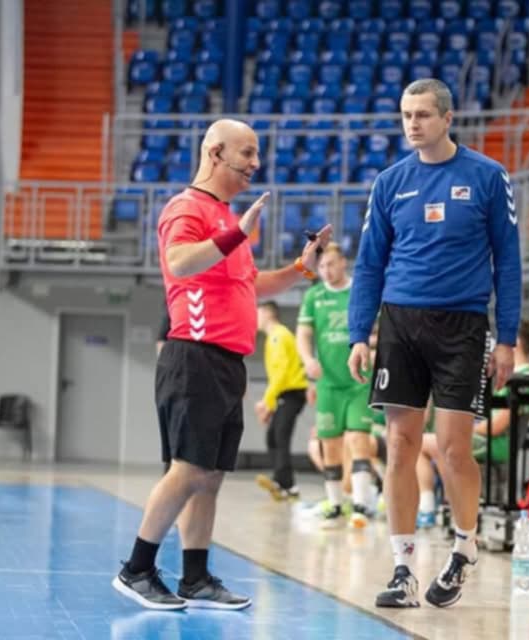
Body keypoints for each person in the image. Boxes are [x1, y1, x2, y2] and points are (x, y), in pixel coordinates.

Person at [112, 119, 331, 611]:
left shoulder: (224, 218)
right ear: (215, 153)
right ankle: (137, 569)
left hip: (227, 361)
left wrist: (301, 268)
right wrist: (236, 234)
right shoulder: (187, 208)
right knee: (188, 469)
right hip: (194, 356)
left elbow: (253, 285)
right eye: (247, 153)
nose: (256, 163)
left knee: (209, 476)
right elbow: (180, 262)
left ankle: (195, 578)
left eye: (257, 153)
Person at [346, 78, 521, 609]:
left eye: (422, 114)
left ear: (447, 118)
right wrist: (359, 333)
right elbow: (369, 263)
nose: (412, 124)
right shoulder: (389, 182)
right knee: (400, 445)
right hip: (400, 323)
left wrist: (507, 338)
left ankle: (464, 547)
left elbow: (508, 261)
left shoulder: (487, 176)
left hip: (462, 325)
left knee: (451, 449)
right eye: (406, 115)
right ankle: (402, 569)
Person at [415, 321, 529, 527]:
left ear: (515, 342)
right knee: (426, 442)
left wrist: (465, 430)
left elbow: (498, 426)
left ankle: (447, 506)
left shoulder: (524, 378)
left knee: (439, 443)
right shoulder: (511, 374)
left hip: (497, 444)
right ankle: (432, 506)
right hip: (486, 436)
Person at [297, 243, 376, 529]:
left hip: (358, 381)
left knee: (358, 439)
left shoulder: (361, 291)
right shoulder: (314, 296)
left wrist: (370, 346)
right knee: (329, 445)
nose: (326, 271)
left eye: (331, 264)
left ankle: (361, 505)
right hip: (328, 383)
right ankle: (335, 506)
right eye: (321, 267)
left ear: (343, 262)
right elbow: (303, 334)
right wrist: (308, 360)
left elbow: (380, 330)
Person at [254, 301, 308, 501]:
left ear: (268, 313)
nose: (255, 319)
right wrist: (271, 402)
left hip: (291, 392)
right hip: (285, 394)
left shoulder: (278, 336)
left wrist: (266, 401)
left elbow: (281, 372)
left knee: (280, 437)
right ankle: (284, 483)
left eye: (257, 313)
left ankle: (286, 484)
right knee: (274, 437)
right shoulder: (276, 336)